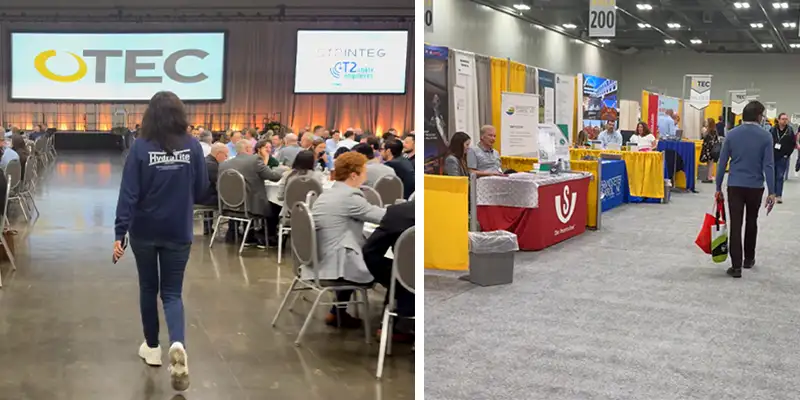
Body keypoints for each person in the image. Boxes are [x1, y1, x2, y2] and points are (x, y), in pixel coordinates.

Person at [113, 91, 208, 391]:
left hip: (144, 231)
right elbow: (202, 188)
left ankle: (152, 348)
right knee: (172, 293)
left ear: (149, 115)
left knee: (148, 288)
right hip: (178, 230)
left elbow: (129, 193)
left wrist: (119, 232)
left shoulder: (140, 147)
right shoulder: (193, 146)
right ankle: (177, 343)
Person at [310, 152, 386, 327]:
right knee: (391, 270)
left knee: (358, 252)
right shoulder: (350, 197)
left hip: (319, 257)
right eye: (364, 172)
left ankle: (337, 312)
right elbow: (381, 217)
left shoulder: (327, 193)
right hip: (337, 264)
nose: (366, 176)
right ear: (354, 175)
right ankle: (391, 323)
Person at [715, 101, 776, 279]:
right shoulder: (766, 136)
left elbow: (722, 162)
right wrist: (772, 191)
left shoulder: (732, 134)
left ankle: (736, 266)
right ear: (758, 116)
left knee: (736, 224)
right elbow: (769, 165)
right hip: (755, 186)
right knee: (751, 221)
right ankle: (748, 259)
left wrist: (718, 186)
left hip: (735, 185)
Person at [363, 200, 415, 337]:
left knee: (398, 272)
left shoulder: (397, 213)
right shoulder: (446, 215)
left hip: (405, 280)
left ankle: (391, 327)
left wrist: (390, 279)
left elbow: (370, 252)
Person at [219, 138, 282, 248]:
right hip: (250, 206)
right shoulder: (254, 160)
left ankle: (247, 235)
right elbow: (273, 176)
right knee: (276, 205)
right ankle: (269, 238)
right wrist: (285, 173)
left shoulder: (224, 164)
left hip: (228, 205)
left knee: (251, 196)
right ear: (248, 149)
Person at [770, 112, 795, 203]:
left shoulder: (790, 131)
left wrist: (787, 154)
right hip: (772, 156)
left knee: (780, 176)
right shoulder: (773, 130)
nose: (785, 121)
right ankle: (772, 193)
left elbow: (792, 143)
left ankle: (779, 195)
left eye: (786, 119)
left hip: (783, 157)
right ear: (779, 120)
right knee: (772, 176)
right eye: (783, 119)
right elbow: (768, 142)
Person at [700, 118, 721, 183]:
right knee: (710, 163)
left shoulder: (708, 131)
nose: (705, 123)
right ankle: (709, 176)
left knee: (709, 163)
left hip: (708, 148)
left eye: (707, 122)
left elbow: (704, 137)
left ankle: (709, 177)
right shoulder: (714, 131)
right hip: (712, 149)